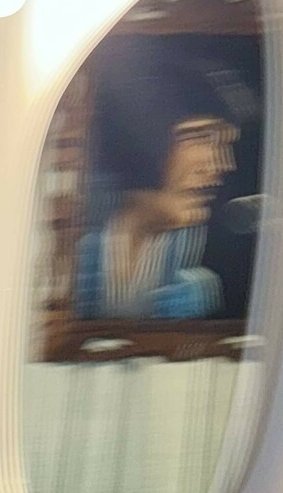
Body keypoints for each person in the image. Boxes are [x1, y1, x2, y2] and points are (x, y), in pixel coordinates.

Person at [72, 37, 245, 321]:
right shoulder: (70, 243)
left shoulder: (213, 257)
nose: (221, 165)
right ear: (138, 140)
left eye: (224, 144)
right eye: (198, 137)